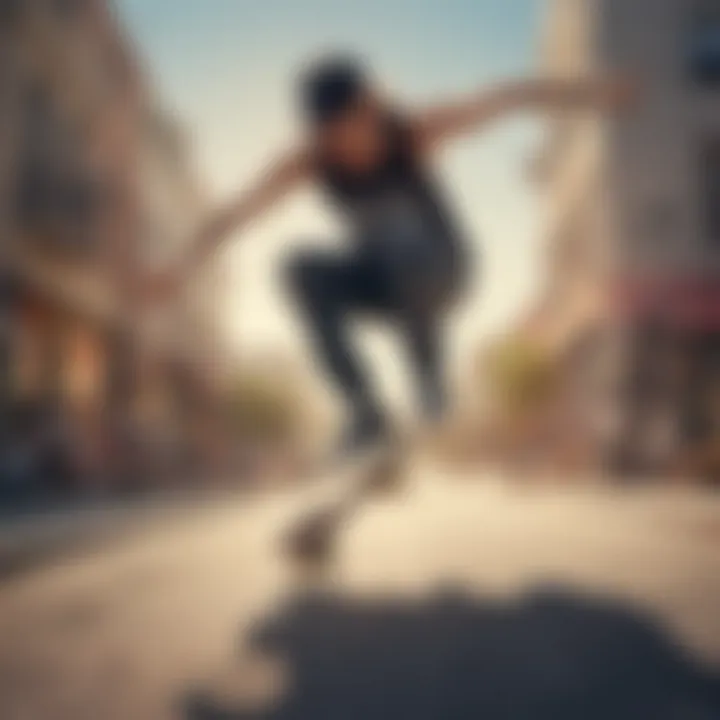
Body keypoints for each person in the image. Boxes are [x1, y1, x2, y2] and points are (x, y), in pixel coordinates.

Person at [146, 56, 638, 455]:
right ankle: (365, 410)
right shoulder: (311, 160)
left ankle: (428, 377)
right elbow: (237, 211)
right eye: (330, 140)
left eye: (350, 133)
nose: (345, 150)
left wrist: (591, 94)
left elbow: (508, 98)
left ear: (370, 110)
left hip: (443, 272)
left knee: (399, 239)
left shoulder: (415, 131)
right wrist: (179, 268)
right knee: (298, 267)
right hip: (381, 285)